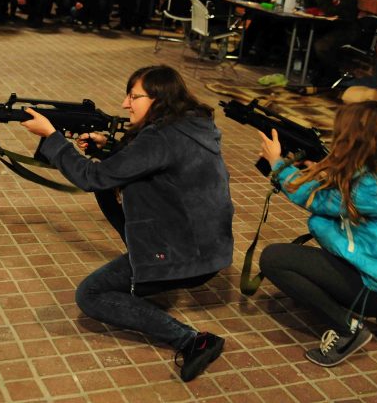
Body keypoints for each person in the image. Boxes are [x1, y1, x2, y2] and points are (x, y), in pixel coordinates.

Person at [19, 65, 234, 382]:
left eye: (134, 96)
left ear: (159, 98)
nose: (125, 104)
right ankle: (146, 271)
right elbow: (145, 162)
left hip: (188, 255)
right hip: (208, 245)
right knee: (110, 187)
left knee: (91, 295)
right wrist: (107, 148)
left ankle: (193, 341)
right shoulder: (189, 125)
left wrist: (52, 138)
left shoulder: (161, 137)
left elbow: (91, 177)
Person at [257, 100, 377, 367]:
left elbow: (313, 198)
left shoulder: (374, 185)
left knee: (274, 259)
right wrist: (320, 167)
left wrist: (277, 163)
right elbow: (349, 182)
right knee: (323, 226)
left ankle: (348, 329)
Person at [303, 0, 360, 85]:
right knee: (306, 37)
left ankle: (332, 77)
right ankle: (317, 74)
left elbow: (330, 11)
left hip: (346, 29)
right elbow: (310, 7)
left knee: (321, 46)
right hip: (329, 27)